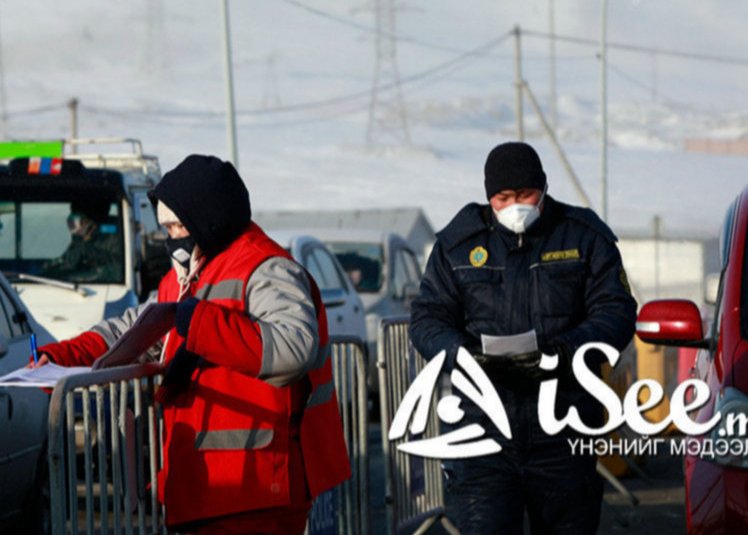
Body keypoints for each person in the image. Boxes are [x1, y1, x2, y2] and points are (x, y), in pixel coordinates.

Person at [32, 155, 351, 534]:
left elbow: (292, 348)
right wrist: (60, 356)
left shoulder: (267, 268)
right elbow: (131, 329)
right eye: (165, 228)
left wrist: (194, 320)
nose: (172, 238)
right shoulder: (185, 277)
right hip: (204, 486)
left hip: (259, 488)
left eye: (179, 225)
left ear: (208, 217)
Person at [409, 141, 637, 535]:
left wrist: (566, 352)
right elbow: (428, 318)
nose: (516, 205)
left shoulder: (583, 237)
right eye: (504, 197)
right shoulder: (458, 245)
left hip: (564, 429)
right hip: (483, 434)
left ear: (544, 189)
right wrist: (462, 355)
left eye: (526, 194)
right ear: (489, 197)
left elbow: (615, 312)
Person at [42, 201, 122, 280]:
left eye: (80, 219)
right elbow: (68, 262)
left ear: (93, 222)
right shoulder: (79, 239)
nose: (74, 223)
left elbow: (119, 267)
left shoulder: (117, 235)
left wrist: (88, 252)